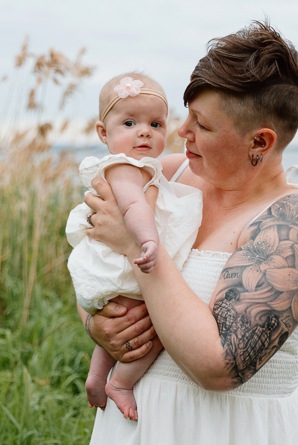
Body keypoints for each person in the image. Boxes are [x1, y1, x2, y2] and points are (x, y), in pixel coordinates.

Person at [79, 20, 298, 445]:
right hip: (133, 438)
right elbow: (94, 261)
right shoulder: (165, 175)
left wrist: (137, 248)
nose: (181, 132)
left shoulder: (295, 223)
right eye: (186, 115)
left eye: (201, 124)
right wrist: (98, 325)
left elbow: (219, 366)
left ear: (259, 142)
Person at [65, 73, 202, 421]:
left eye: (155, 123)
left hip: (117, 265)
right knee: (154, 327)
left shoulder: (146, 168)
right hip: (129, 263)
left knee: (122, 321)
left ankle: (97, 375)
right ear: (103, 133)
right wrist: (148, 240)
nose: (144, 131)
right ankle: (121, 383)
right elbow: (134, 208)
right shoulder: (126, 169)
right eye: (129, 122)